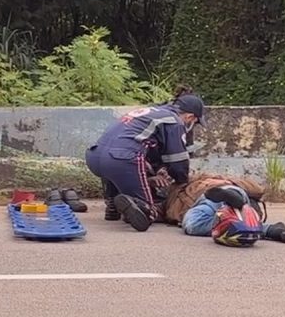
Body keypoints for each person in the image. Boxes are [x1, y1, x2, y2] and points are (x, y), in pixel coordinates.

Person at [85, 93, 205, 232]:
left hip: (94, 156)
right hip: (122, 160)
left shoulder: (151, 112)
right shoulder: (175, 122)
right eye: (195, 123)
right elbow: (177, 161)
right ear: (190, 117)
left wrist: (153, 176)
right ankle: (140, 208)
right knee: (149, 212)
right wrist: (182, 183)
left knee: (113, 165)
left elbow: (149, 149)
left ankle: (112, 204)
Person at [168, 175, 285, 246]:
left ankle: (264, 228)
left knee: (193, 224)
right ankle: (270, 229)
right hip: (236, 193)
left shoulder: (188, 185)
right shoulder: (225, 179)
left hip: (209, 197)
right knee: (239, 223)